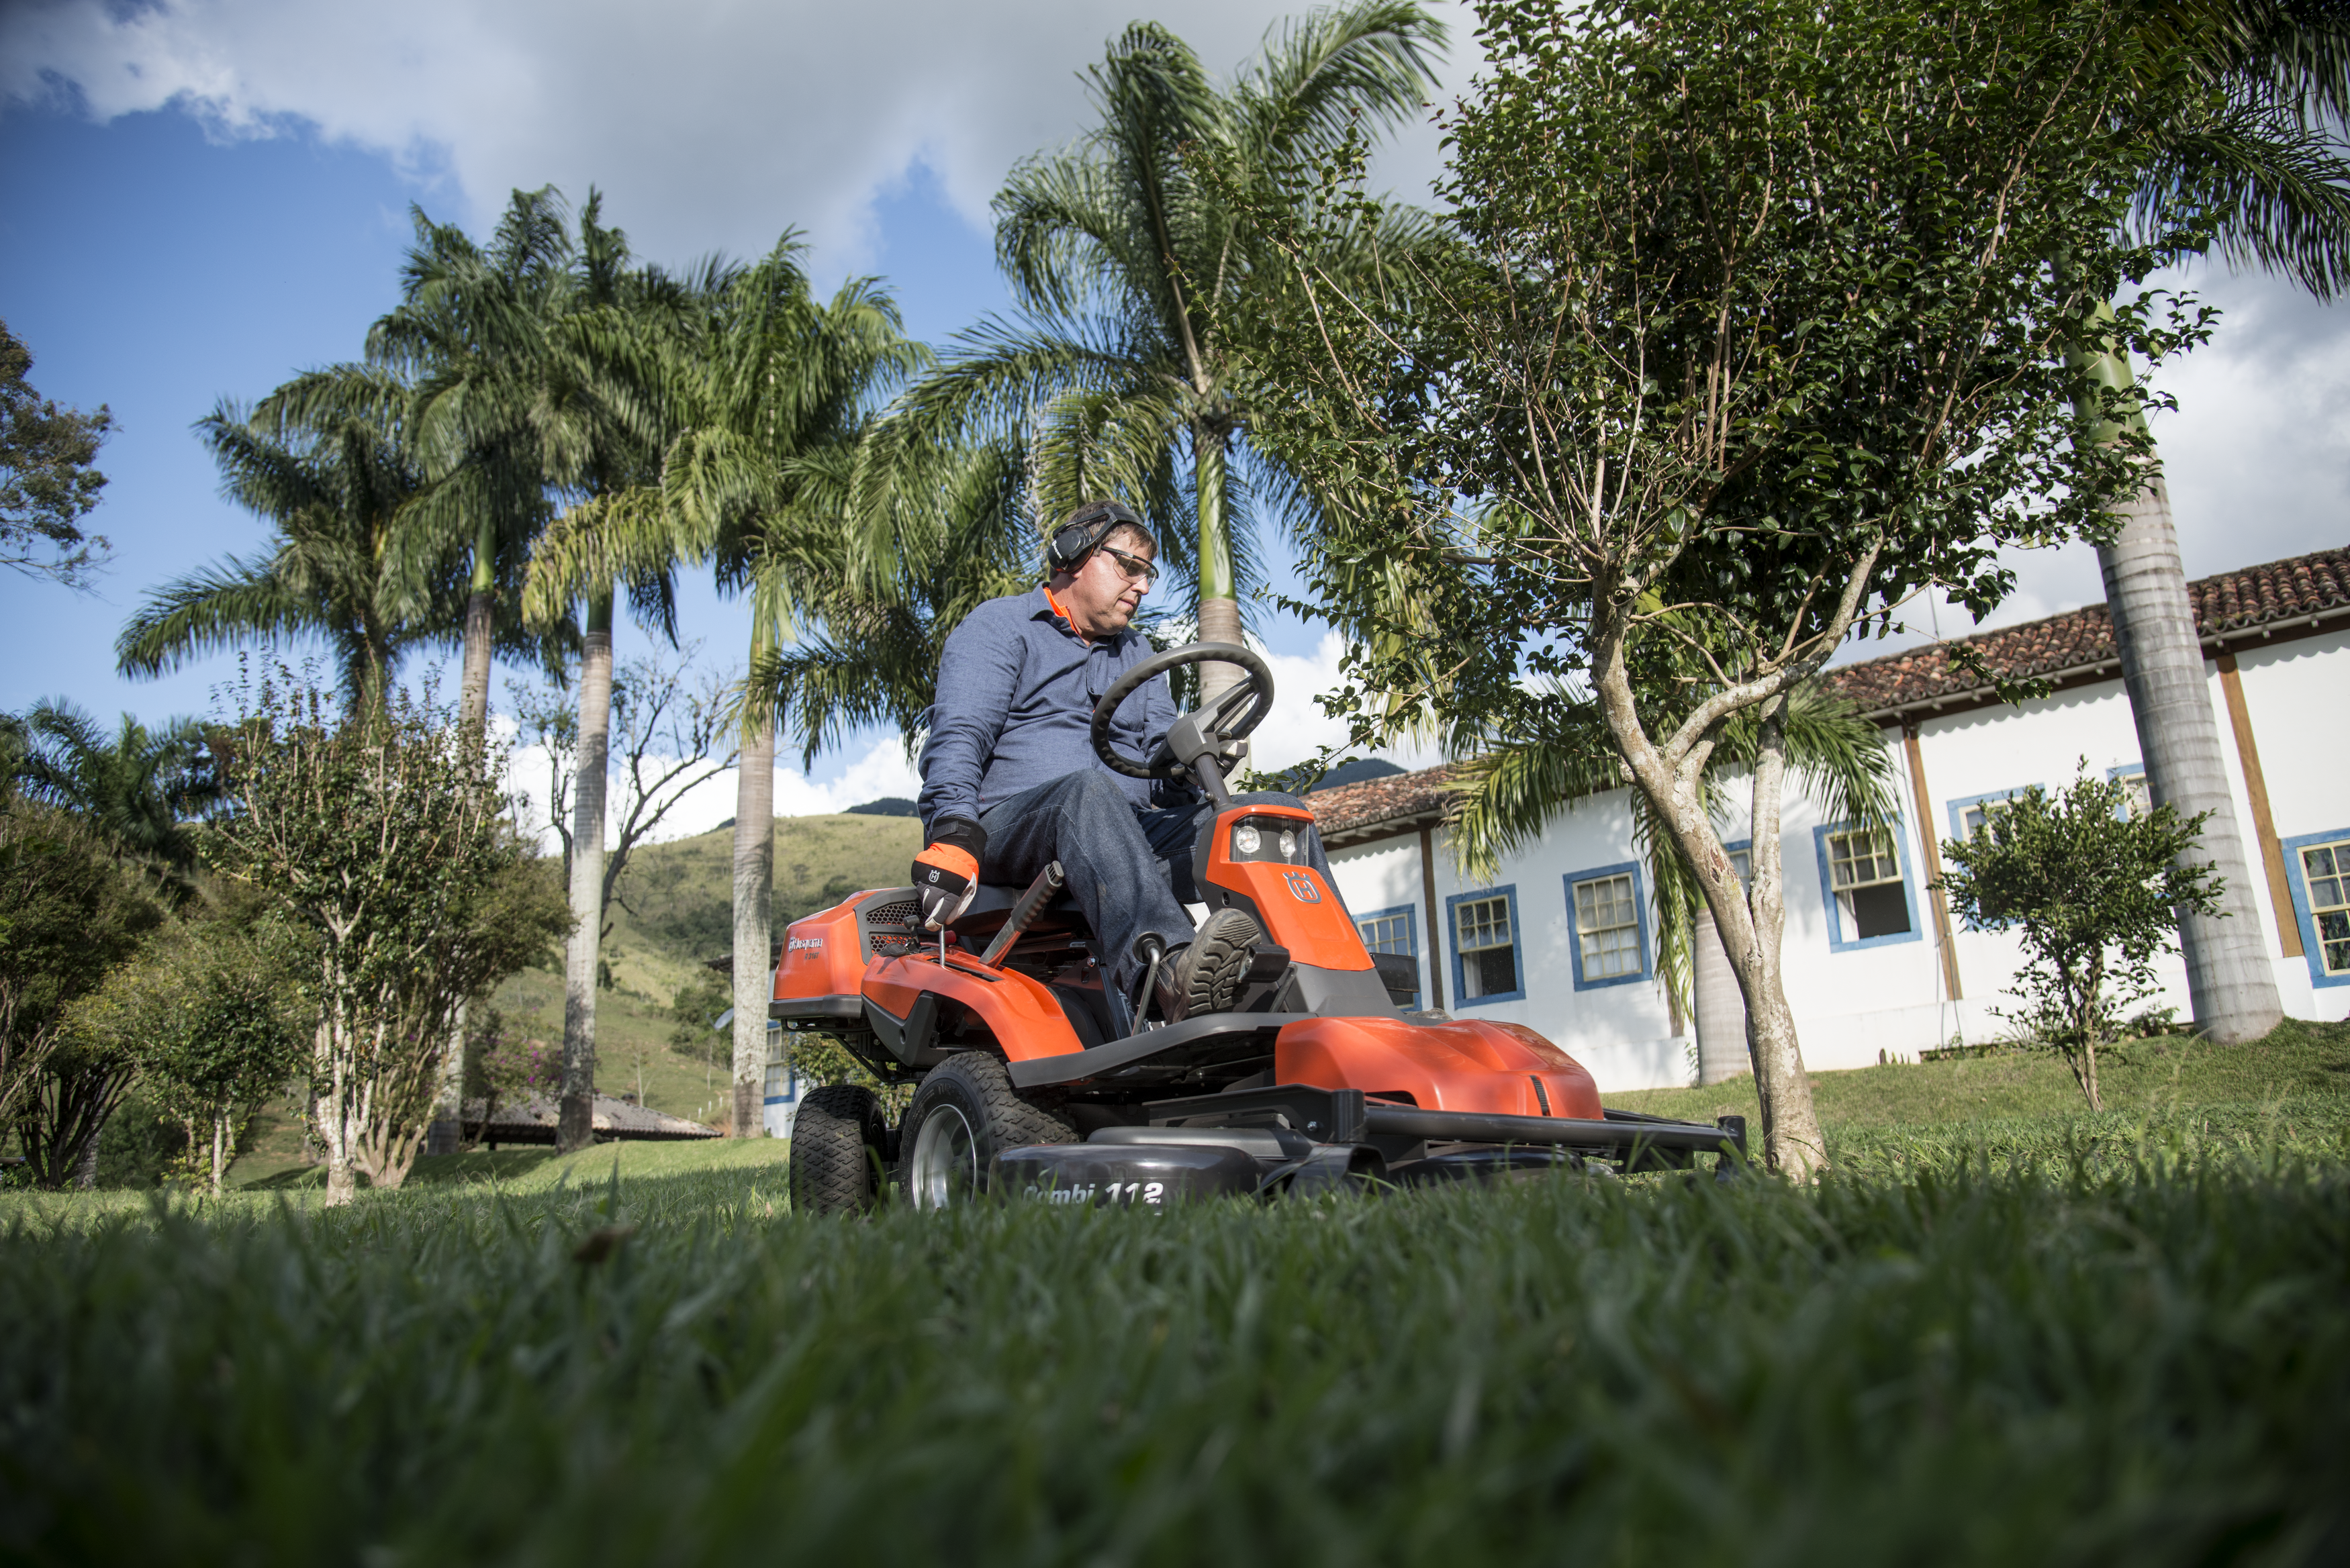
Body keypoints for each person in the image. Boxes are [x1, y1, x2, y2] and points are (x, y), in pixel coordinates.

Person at [912, 498, 1339, 1024]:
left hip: (1123, 834)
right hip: (1013, 831)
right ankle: (1170, 973)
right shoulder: (1001, 627)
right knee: (1086, 793)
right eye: (1128, 567)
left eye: (1148, 574)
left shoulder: (1136, 653)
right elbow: (960, 735)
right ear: (1073, 555)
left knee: (1268, 814)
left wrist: (1195, 763)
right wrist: (954, 833)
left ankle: (1328, 980)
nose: (1142, 586)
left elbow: (1160, 772)